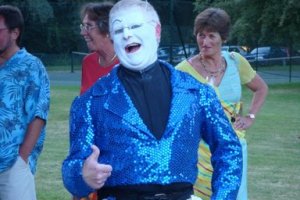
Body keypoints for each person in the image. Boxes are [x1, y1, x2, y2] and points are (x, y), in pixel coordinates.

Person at [62, 1, 242, 199]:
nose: (127, 34)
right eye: (119, 29)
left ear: (156, 31)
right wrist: (82, 176)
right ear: (113, 39)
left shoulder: (197, 93)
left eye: (136, 26)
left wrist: (223, 196)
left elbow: (229, 149)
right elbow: (72, 170)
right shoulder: (90, 102)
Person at [176, 7, 268, 200]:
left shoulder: (236, 62)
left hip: (235, 146)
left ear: (223, 38)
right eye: (201, 35)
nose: (205, 41)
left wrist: (250, 116)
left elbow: (261, 88)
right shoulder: (182, 71)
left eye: (211, 36)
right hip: (200, 150)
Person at [0, 5, 50, 200]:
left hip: (13, 164)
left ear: (15, 33)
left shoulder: (31, 66)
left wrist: (23, 158)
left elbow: (39, 114)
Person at [79, 1, 118, 94]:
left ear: (108, 29)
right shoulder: (88, 62)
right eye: (83, 26)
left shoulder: (128, 64)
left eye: (89, 26)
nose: (83, 33)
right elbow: (84, 102)